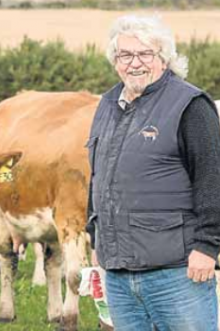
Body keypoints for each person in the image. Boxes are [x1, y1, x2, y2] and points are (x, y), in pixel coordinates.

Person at [86, 14, 220, 331]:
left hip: (177, 273)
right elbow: (98, 176)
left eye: (145, 54)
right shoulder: (107, 104)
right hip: (119, 277)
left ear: (164, 58)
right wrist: (96, 239)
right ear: (114, 61)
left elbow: (212, 178)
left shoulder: (189, 104)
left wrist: (207, 245)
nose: (135, 63)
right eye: (125, 55)